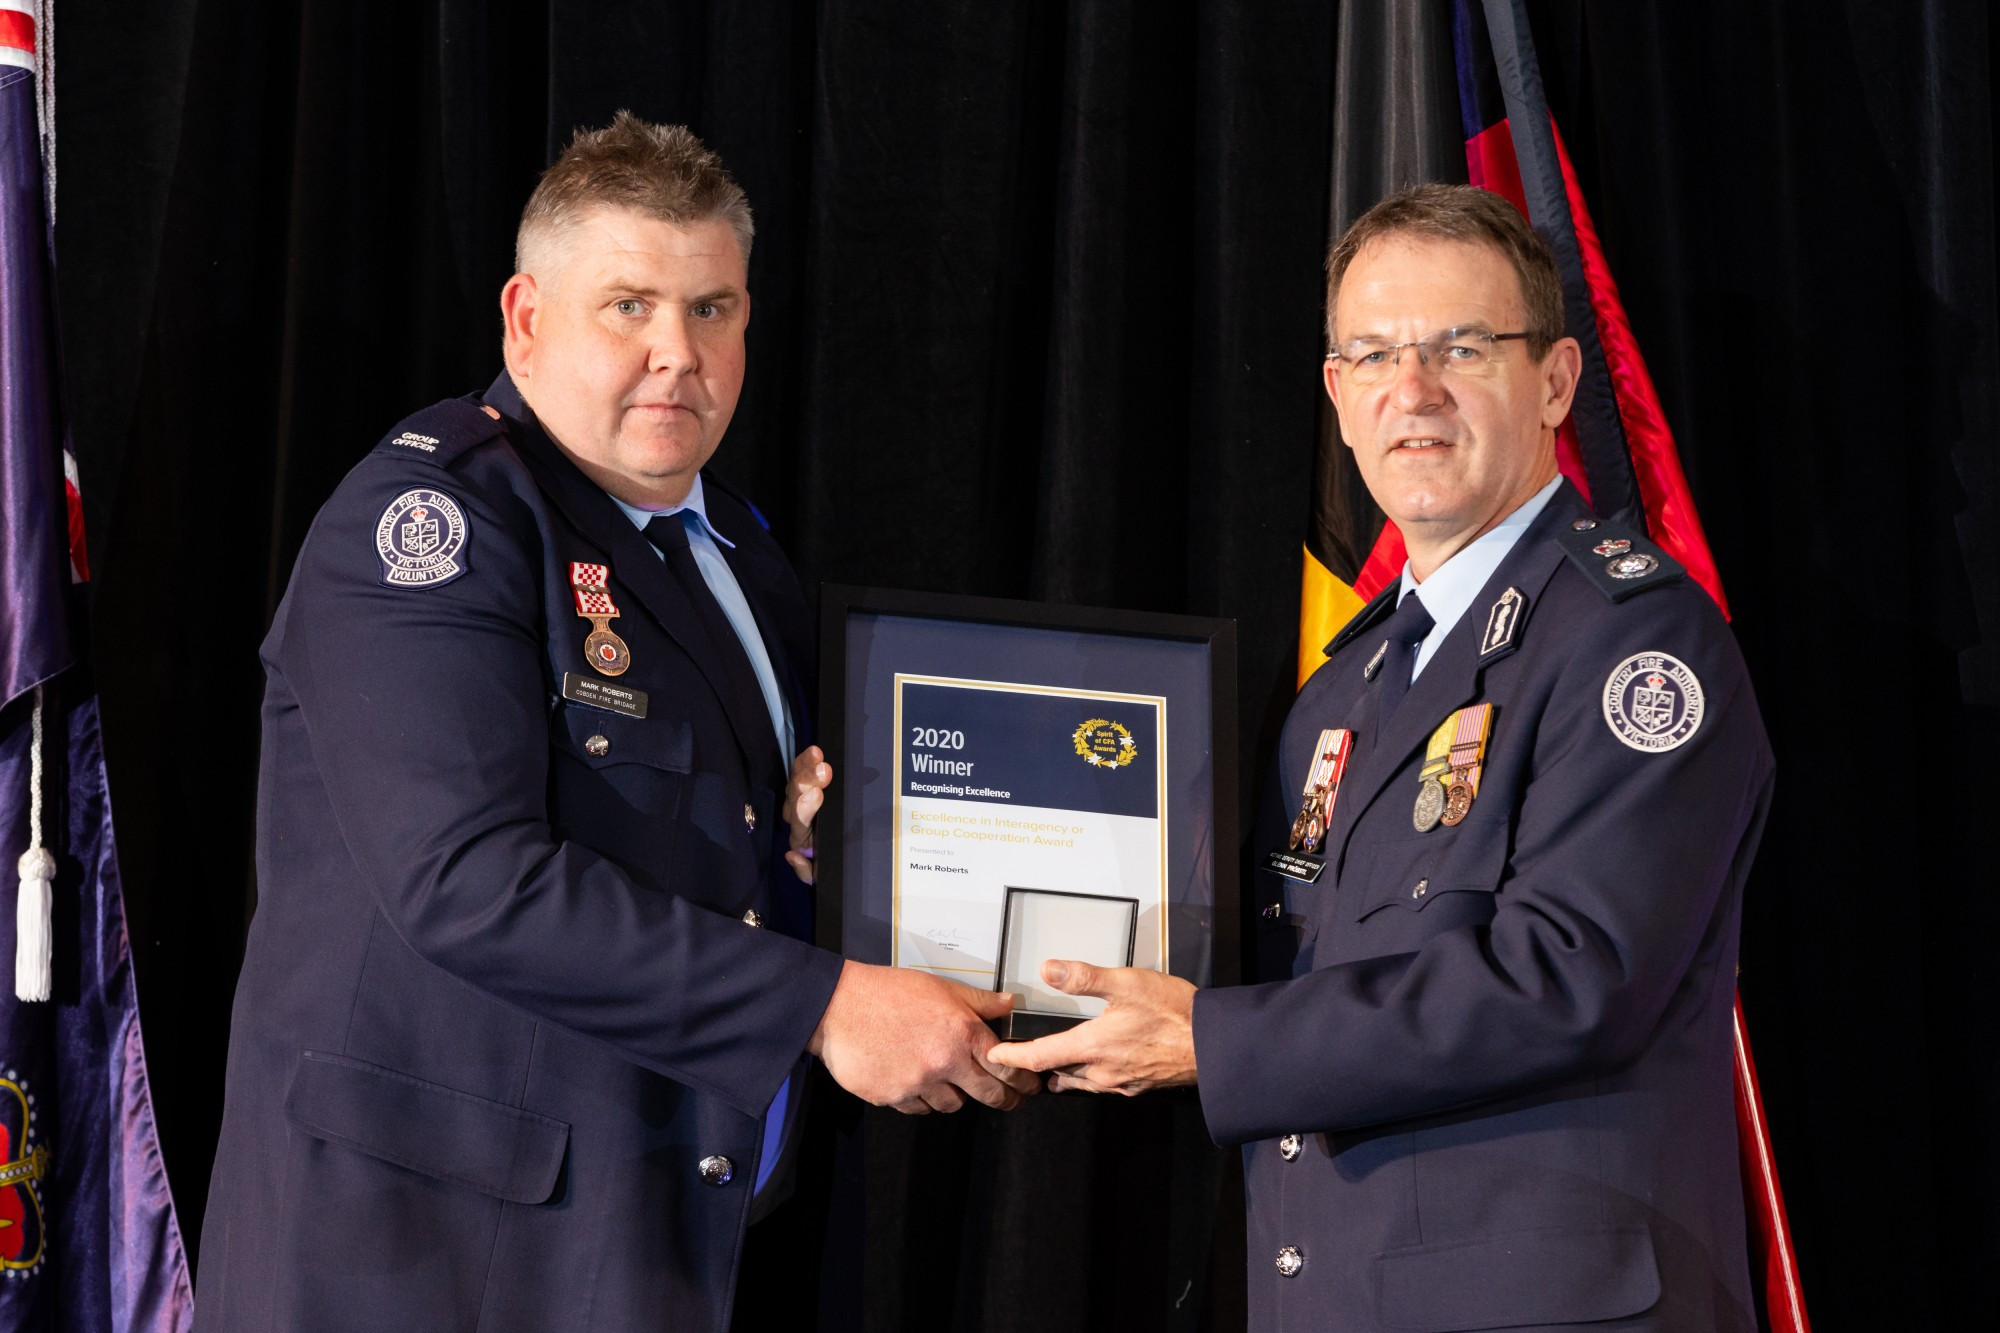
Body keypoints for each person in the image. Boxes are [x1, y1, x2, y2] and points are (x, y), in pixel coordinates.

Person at [195, 114, 1033, 1333]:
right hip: (429, 1257)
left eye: (711, 309)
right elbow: (465, 881)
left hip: (653, 1238)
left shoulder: (737, 550)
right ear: (526, 319)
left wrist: (826, 856)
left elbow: (719, 840)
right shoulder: (431, 522)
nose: (675, 354)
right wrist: (821, 1000)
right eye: (628, 305)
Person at [992, 183, 1772, 1331]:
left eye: (1459, 347)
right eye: (1371, 355)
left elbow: (1569, 974)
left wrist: (1205, 1040)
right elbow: (1236, 955)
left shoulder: (1636, 644)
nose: (1413, 393)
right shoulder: (1335, 692)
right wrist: (914, 904)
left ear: (1553, 380)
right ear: (1335, 396)